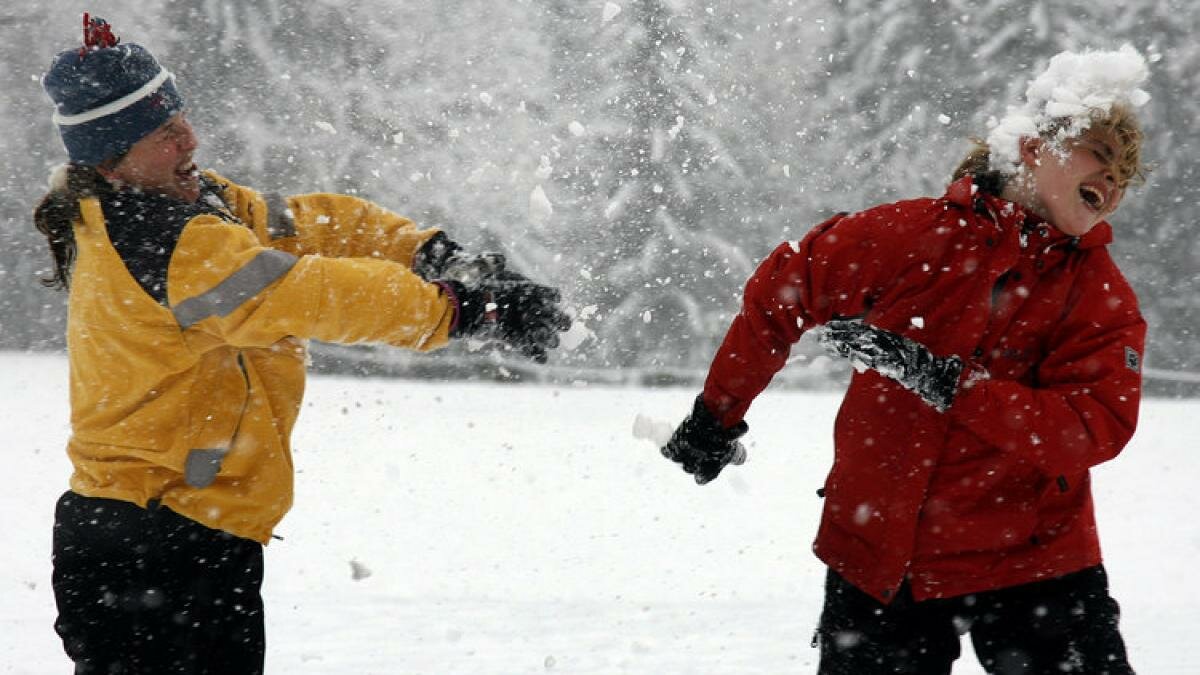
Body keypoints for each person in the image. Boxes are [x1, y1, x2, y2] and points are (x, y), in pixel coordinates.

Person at [35, 15, 570, 674]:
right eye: (163, 132)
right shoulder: (166, 242)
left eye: (181, 117)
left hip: (165, 533)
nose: (189, 138)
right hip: (157, 540)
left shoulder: (189, 203)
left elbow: (304, 225)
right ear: (110, 158)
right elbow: (309, 291)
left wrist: (426, 251)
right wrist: (462, 310)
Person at [661, 45, 1150, 675]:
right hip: (885, 557)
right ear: (1035, 148)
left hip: (1037, 562)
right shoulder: (911, 238)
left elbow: (1092, 425)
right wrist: (716, 414)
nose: (1112, 186)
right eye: (1102, 159)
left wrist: (951, 385)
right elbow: (784, 289)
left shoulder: (1098, 293)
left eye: (1123, 177)